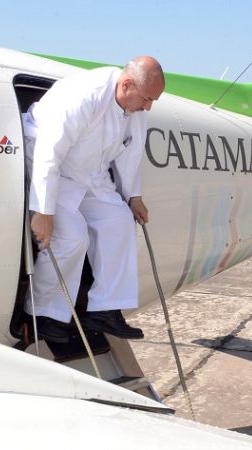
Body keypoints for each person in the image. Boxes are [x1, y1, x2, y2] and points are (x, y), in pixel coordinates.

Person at [23, 56, 166, 343]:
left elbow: (131, 152)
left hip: (91, 174)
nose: (149, 107)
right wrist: (43, 211)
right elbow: (49, 152)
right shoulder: (84, 96)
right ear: (127, 85)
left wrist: (134, 196)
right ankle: (42, 313)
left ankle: (104, 309)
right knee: (73, 238)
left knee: (119, 222)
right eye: (147, 99)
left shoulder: (134, 106)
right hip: (55, 171)